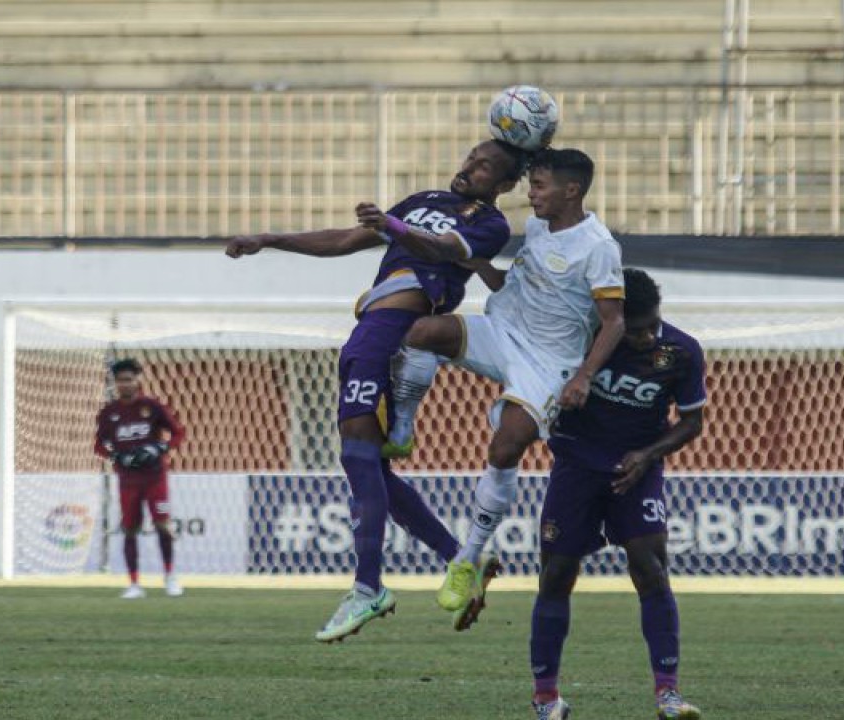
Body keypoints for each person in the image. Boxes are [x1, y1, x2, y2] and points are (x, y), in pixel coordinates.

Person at [225, 138, 531, 642]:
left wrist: (394, 227)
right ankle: (460, 560)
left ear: (504, 184)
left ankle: (368, 587)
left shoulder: (490, 224)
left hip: (396, 330)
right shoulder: (423, 200)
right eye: (471, 158)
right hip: (369, 327)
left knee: (358, 453)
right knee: (370, 466)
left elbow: (442, 248)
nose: (469, 167)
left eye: (484, 168)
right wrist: (270, 238)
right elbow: (348, 239)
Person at [364, 148, 625, 629]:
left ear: (571, 190)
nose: (532, 195)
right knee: (420, 331)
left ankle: (468, 558)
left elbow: (614, 321)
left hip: (549, 362)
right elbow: (520, 282)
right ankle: (401, 427)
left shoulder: (598, 246)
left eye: (540, 186)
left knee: (507, 444)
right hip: (504, 331)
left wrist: (584, 376)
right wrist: (480, 265)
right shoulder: (539, 227)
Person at [528, 268, 704, 720]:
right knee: (556, 574)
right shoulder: (583, 342)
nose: (645, 338)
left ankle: (668, 694)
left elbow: (692, 422)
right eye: (635, 329)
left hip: (637, 469)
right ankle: (545, 698)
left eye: (652, 326)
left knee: (651, 570)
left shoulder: (682, 351)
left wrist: (647, 455)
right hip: (577, 466)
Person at [93, 358, 186, 599]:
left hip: (155, 478)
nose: (125, 384)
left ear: (137, 380)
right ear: (115, 383)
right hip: (128, 481)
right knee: (130, 529)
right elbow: (99, 445)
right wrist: (116, 456)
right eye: (120, 380)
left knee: (162, 525)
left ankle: (170, 577)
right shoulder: (109, 413)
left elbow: (178, 432)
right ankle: (134, 584)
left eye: (129, 379)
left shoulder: (152, 407)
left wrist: (160, 448)